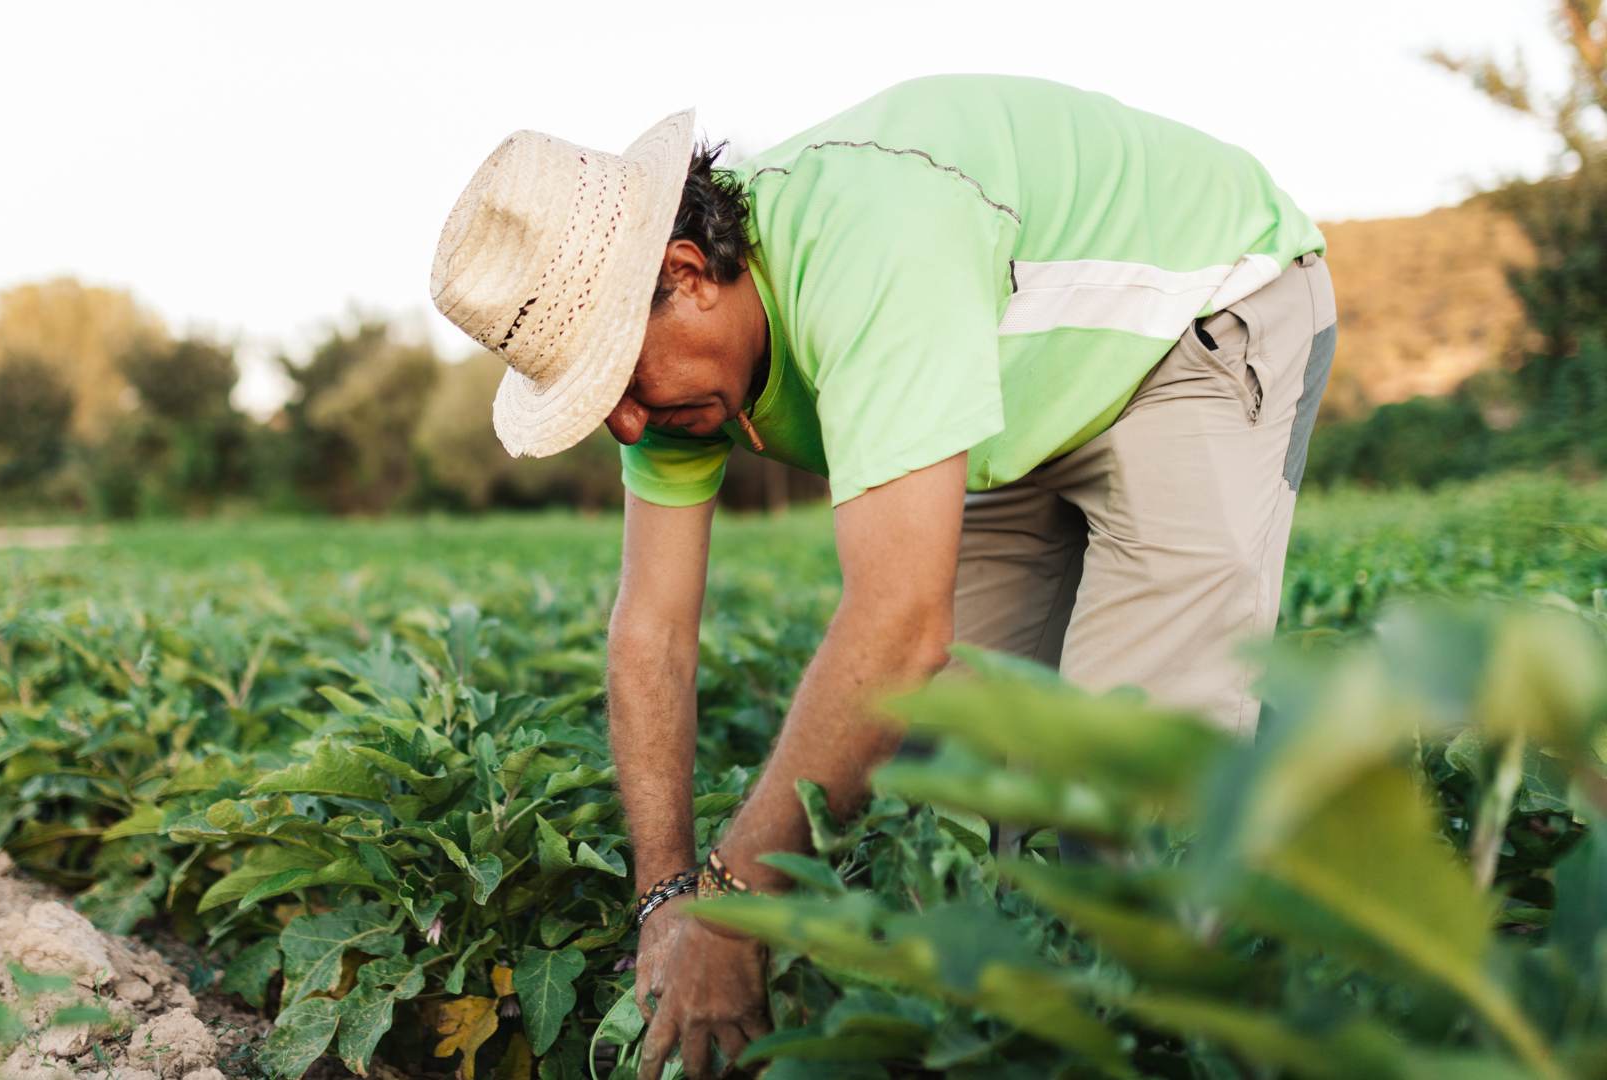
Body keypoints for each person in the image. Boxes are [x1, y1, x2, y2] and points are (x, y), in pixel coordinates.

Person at [429, 75, 1334, 1078]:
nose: (627, 425)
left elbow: (900, 627)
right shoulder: (679, 384)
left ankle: (1184, 1035)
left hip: (1197, 316)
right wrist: (667, 900)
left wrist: (734, 910)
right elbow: (652, 635)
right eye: (596, 401)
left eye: (618, 377)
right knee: (959, 780)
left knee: (1134, 786)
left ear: (687, 273)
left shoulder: (869, 250)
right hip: (1014, 402)